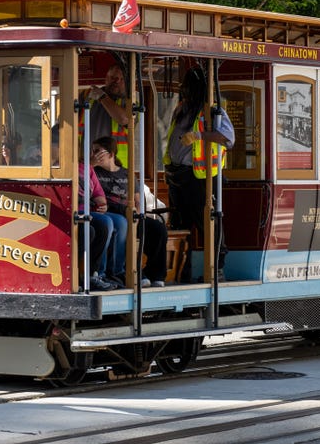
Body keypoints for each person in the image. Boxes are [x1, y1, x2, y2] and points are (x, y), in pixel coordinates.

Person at [164, 67, 234, 281]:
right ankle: (181, 271)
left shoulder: (212, 111)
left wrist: (199, 135)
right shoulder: (182, 109)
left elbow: (228, 139)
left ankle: (216, 270)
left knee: (208, 223)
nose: (183, 92)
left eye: (187, 88)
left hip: (202, 178)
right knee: (179, 224)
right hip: (178, 175)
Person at [91, 137, 168, 287]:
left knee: (158, 229)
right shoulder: (94, 172)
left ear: (111, 154)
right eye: (92, 151)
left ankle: (156, 274)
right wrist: (91, 165)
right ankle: (123, 272)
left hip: (131, 214)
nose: (94, 154)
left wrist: (137, 217)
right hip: (111, 213)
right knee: (121, 226)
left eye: (97, 151)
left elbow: (138, 199)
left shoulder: (126, 173)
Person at [77, 158, 119, 292]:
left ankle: (94, 275)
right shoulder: (58, 166)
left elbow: (98, 192)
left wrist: (102, 203)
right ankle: (76, 275)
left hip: (87, 209)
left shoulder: (85, 167)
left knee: (104, 224)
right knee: (91, 229)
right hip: (70, 209)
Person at [83, 63, 133, 168]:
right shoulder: (88, 96)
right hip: (89, 163)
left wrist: (102, 97)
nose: (116, 81)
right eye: (113, 78)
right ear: (106, 78)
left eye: (121, 79)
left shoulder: (130, 101)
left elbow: (124, 119)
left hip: (116, 167)